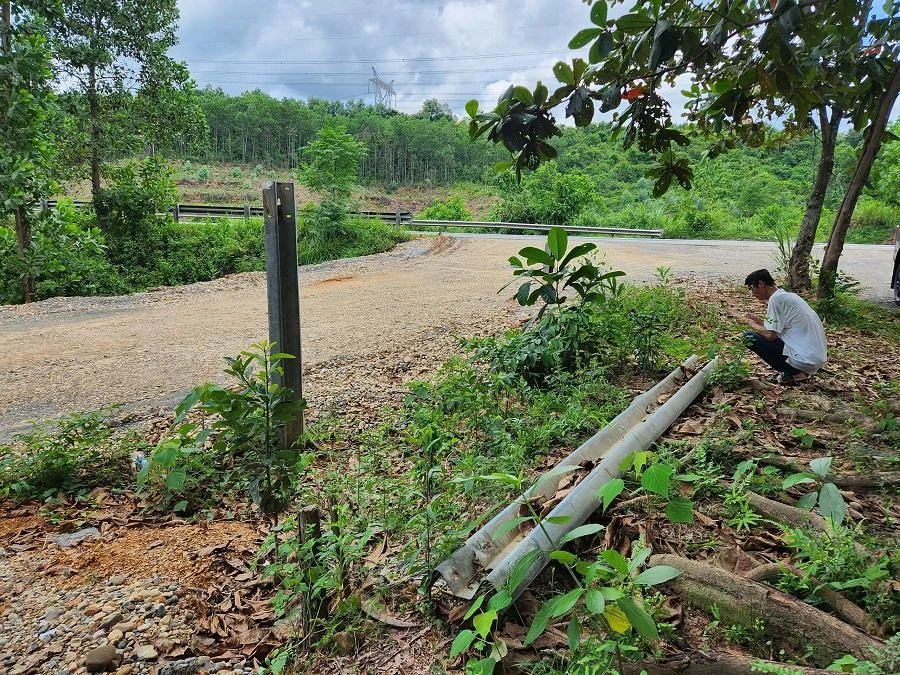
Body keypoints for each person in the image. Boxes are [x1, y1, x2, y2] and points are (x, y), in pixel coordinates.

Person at [742, 269, 827, 385]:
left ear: (761, 284)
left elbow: (770, 335)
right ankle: (798, 372)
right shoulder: (785, 296)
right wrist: (758, 321)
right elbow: (775, 328)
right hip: (811, 357)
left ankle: (794, 373)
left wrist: (751, 324)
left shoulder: (776, 299)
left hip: (804, 358)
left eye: (752, 288)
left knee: (749, 337)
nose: (752, 293)